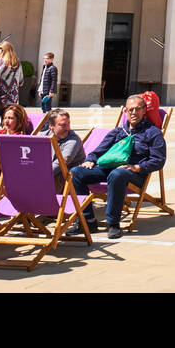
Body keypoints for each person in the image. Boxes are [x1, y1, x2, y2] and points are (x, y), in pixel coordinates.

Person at [70, 94, 167, 240]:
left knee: (117, 174)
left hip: (133, 173)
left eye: (137, 109)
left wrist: (137, 167)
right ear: (125, 112)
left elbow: (159, 160)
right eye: (130, 110)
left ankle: (113, 223)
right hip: (108, 168)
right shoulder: (118, 131)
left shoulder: (152, 133)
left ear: (144, 110)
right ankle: (87, 220)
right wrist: (90, 160)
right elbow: (99, 151)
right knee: (75, 172)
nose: (134, 113)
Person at [40, 108, 84, 188]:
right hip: (47, 175)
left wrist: (39, 175)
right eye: (63, 125)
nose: (67, 128)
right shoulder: (42, 136)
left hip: (65, 180)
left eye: (68, 124)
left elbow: (61, 163)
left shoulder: (73, 140)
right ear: (51, 125)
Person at [0, 41, 23, 135]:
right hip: (13, 100)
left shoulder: (0, 62)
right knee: (10, 127)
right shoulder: (18, 64)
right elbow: (21, 82)